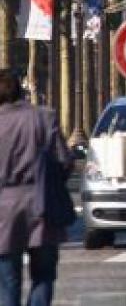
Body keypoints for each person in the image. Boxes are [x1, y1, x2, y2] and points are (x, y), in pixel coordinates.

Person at [0, 69, 73, 306]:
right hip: (42, 206)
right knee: (43, 276)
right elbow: (64, 162)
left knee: (7, 281)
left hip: (3, 211)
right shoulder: (45, 117)